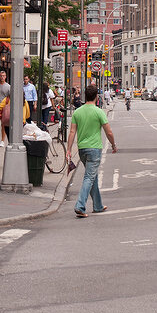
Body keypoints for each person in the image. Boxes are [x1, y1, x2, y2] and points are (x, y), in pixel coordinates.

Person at [65, 85, 116, 218]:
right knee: (89, 177)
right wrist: (113, 144)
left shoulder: (77, 112)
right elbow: (108, 131)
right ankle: (80, 206)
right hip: (94, 149)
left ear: (84, 96)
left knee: (92, 176)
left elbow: (72, 132)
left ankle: (98, 205)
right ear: (96, 97)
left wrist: (69, 150)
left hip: (82, 149)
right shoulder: (99, 112)